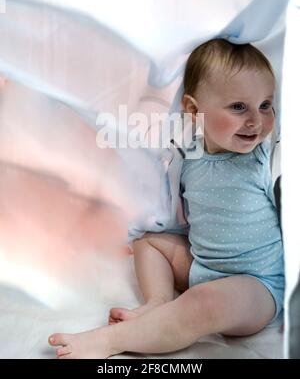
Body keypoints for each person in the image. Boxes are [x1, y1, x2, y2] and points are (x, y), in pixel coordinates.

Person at [48, 39, 284, 359]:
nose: (256, 120)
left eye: (266, 105)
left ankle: (112, 341)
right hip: (202, 267)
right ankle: (158, 303)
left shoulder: (265, 158)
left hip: (257, 286)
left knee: (206, 303)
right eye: (239, 107)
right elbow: (169, 204)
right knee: (149, 241)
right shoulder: (188, 156)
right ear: (193, 109)